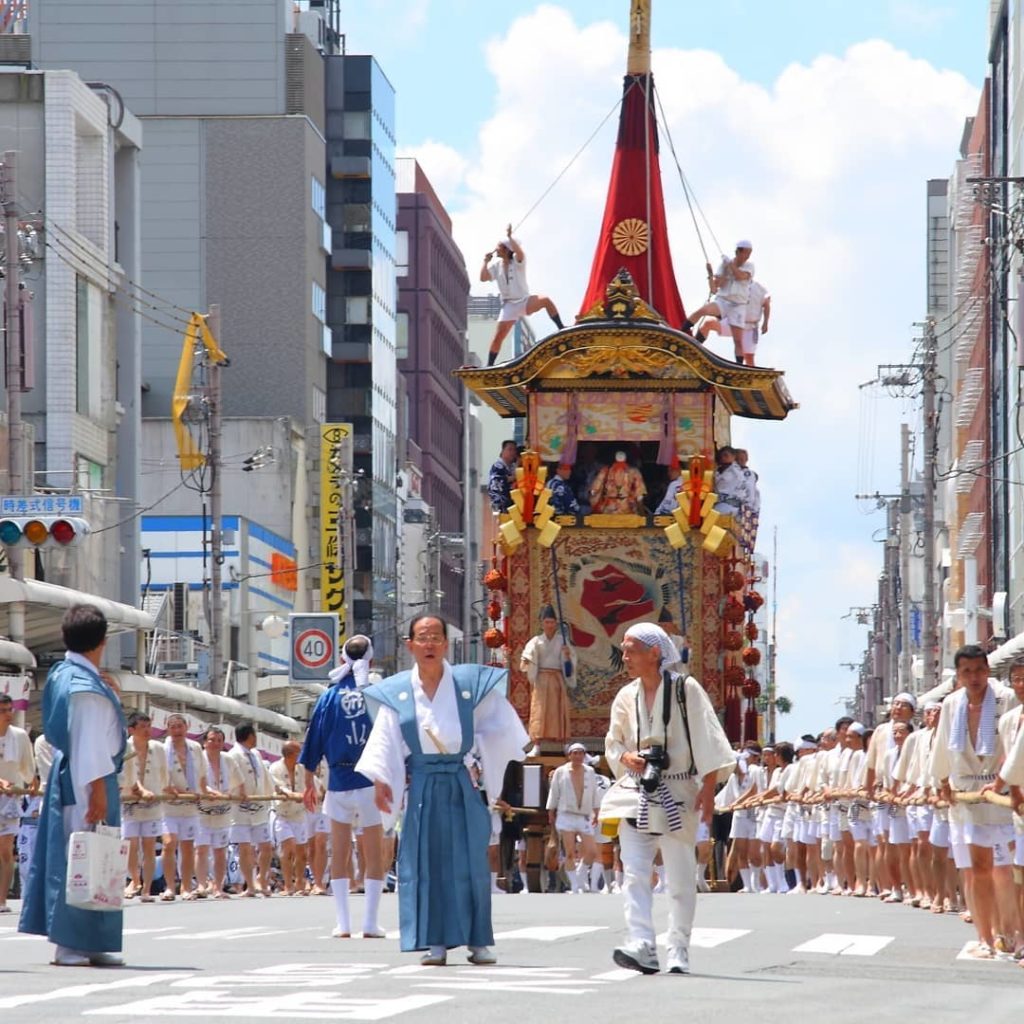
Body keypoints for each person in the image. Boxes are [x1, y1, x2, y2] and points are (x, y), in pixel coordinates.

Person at [356, 614, 528, 966]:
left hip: (460, 781)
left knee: (470, 862)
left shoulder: (467, 684)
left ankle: (478, 939)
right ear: (410, 645)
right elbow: (384, 742)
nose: (430, 643)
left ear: (446, 644)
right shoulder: (399, 691)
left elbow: (500, 728)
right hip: (421, 784)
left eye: (436, 636)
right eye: (423, 637)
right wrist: (381, 780)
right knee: (426, 862)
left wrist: (497, 771)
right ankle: (435, 940)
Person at [604, 622, 734, 975]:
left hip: (677, 789)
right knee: (634, 871)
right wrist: (626, 758)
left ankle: (678, 946)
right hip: (637, 789)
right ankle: (642, 943)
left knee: (679, 877)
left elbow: (709, 740)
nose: (625, 656)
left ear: (655, 653)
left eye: (631, 650)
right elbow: (613, 743)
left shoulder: (685, 689)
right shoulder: (625, 696)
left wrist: (708, 790)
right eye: (624, 649)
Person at [19, 604, 127, 967]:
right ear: (102, 641)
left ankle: (90, 938)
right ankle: (70, 942)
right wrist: (97, 788)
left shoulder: (67, 674)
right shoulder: (84, 685)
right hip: (87, 779)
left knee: (95, 858)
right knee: (81, 858)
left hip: (79, 775)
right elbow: (91, 741)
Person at [930, 645, 1018, 958]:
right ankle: (984, 936)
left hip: (1002, 791)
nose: (975, 677)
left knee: (1005, 869)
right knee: (978, 868)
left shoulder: (1006, 698)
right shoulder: (952, 704)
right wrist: (941, 781)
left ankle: (1009, 934)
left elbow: (1014, 743)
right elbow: (942, 745)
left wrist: (1006, 780)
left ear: (987, 670)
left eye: (980, 670)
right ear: (959, 675)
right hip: (965, 791)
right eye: (967, 671)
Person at [300, 634, 386, 938]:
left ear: (342, 660)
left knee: (339, 851)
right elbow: (391, 738)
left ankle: (343, 923)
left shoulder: (328, 696)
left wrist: (309, 779)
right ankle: (370, 922)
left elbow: (314, 738)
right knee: (374, 851)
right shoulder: (377, 693)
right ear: (371, 660)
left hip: (337, 779)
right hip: (370, 780)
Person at [481, 231, 563, 366]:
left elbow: (520, 253)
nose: (495, 249)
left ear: (506, 249)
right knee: (498, 337)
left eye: (498, 246)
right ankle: (489, 365)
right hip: (508, 306)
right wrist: (485, 262)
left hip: (524, 301)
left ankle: (560, 328)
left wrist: (509, 237)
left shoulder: (518, 262)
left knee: (546, 300)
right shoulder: (496, 266)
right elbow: (483, 278)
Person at [120, 711, 166, 903]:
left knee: (149, 846)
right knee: (131, 844)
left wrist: (164, 790)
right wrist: (138, 789)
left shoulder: (158, 748)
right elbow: (126, 775)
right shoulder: (125, 747)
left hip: (152, 801)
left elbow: (164, 774)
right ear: (132, 729)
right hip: (131, 801)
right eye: (142, 727)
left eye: (149, 726)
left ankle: (147, 887)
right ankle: (134, 880)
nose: (147, 731)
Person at [520, 605, 576, 757]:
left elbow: (570, 665)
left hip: (557, 679)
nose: (549, 625)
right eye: (547, 622)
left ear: (556, 623)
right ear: (542, 623)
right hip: (542, 680)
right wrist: (527, 658)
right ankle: (537, 745)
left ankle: (565, 744)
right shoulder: (536, 641)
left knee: (560, 710)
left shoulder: (561, 641)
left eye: (552, 622)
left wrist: (567, 655)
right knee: (539, 711)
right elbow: (527, 655)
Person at [547, 742, 602, 894]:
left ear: (584, 755)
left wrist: (597, 811)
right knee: (570, 852)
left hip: (584, 814)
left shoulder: (589, 771)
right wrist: (551, 811)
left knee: (591, 851)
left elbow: (594, 792)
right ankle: (574, 885)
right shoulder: (560, 771)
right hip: (566, 815)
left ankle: (580, 873)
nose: (578, 756)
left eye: (580, 753)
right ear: (569, 755)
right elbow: (554, 792)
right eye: (575, 753)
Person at [160, 713, 204, 901]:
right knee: (169, 844)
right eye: (173, 727)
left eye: (180, 726)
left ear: (187, 727)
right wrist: (172, 788)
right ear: (168, 729)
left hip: (191, 804)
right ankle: (170, 886)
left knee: (188, 846)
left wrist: (203, 791)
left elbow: (202, 773)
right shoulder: (162, 749)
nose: (177, 730)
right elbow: (159, 775)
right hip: (169, 805)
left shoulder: (195, 748)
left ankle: (186, 886)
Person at [682, 241, 755, 353]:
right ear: (738, 252)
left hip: (737, 307)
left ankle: (692, 350)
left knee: (735, 339)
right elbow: (714, 289)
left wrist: (729, 265)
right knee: (703, 311)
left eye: (749, 253)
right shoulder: (724, 265)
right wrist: (711, 274)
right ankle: (681, 332)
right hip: (723, 302)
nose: (748, 256)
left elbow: (740, 276)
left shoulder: (749, 266)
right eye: (746, 253)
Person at [196, 726, 242, 900]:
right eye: (211, 740)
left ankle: (218, 886)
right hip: (202, 811)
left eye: (219, 741)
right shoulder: (198, 758)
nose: (215, 744)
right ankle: (201, 884)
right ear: (204, 742)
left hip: (222, 811)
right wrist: (210, 792)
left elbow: (239, 781)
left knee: (220, 851)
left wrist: (235, 793)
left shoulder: (228, 759)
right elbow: (196, 781)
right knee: (201, 850)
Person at [229, 722, 274, 897]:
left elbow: (266, 777)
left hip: (259, 807)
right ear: (250, 736)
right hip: (240, 809)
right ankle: (250, 884)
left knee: (266, 846)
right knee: (245, 848)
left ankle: (262, 879)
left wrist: (277, 791)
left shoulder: (255, 754)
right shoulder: (233, 755)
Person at [0, 693, 34, 914]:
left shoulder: (20, 736)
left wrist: (33, 784)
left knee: (5, 850)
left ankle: (1, 899)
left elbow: (28, 769)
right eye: (2, 711)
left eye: (9, 710)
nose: (8, 715)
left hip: (9, 799)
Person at [270, 740, 310, 897]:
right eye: (298, 752)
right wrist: (295, 795)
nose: (301, 755)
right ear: (290, 754)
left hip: (299, 814)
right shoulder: (275, 768)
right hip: (283, 814)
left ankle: (299, 882)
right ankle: (288, 885)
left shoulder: (302, 769)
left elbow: (312, 785)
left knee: (302, 853)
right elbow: (280, 788)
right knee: (289, 849)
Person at [589, 450, 646, 514]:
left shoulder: (605, 471)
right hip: (628, 510)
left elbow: (594, 490)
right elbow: (639, 496)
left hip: (609, 509)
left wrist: (595, 504)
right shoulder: (634, 472)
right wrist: (642, 512)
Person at [739, 279, 770, 366]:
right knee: (709, 324)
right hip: (734, 323)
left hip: (750, 327)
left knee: (748, 356)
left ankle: (750, 376)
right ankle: (697, 347)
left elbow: (766, 304)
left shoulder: (758, 287)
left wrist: (765, 323)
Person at [488, 440, 518, 514]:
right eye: (510, 449)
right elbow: (496, 481)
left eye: (514, 450)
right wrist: (512, 478)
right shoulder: (498, 466)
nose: (513, 452)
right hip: (501, 504)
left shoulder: (513, 466)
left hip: (513, 504)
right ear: (502, 451)